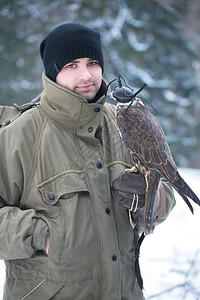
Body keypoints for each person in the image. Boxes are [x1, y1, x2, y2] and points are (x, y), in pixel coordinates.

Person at [0, 23, 175, 300]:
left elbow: (165, 192)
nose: (85, 75)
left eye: (93, 62)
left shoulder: (125, 122)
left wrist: (149, 201)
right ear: (52, 72)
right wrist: (38, 234)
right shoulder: (18, 137)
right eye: (71, 65)